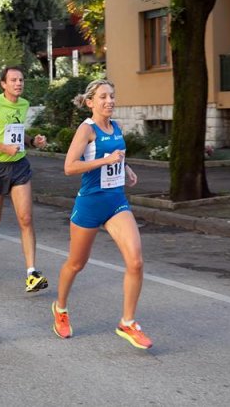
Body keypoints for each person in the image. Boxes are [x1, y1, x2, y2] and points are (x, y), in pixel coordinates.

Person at [51, 79, 153, 349]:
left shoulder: (117, 127)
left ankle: (127, 322)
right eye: (103, 97)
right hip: (90, 204)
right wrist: (105, 161)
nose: (109, 101)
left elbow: (116, 156)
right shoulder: (87, 130)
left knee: (136, 261)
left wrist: (125, 168)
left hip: (116, 202)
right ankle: (60, 308)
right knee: (76, 263)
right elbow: (69, 167)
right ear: (90, 102)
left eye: (112, 96)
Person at [0, 66, 49, 293]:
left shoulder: (23, 104)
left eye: (21, 79)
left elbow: (16, 133)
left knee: (25, 218)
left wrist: (33, 141)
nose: (18, 83)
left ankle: (31, 272)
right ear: (3, 84)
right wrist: (2, 148)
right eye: (13, 80)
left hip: (20, 166)